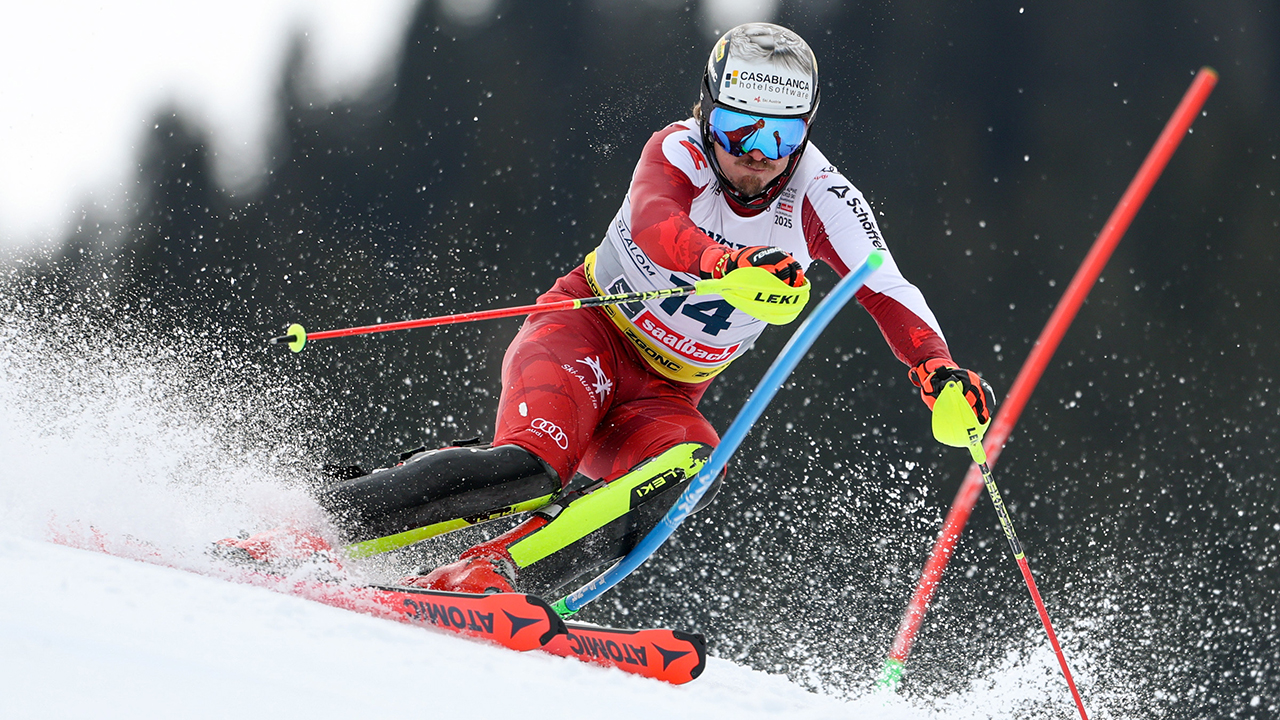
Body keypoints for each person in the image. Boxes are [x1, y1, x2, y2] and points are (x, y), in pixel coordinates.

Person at [218, 22, 993, 599]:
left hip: (665, 393)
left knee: (685, 468)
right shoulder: (677, 151)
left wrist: (937, 369)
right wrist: (730, 266)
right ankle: (308, 524)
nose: (755, 151)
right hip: (586, 331)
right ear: (707, 113)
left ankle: (485, 576)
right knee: (529, 470)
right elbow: (659, 226)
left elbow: (886, 284)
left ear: (806, 133)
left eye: (781, 133)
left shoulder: (820, 196)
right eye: (737, 125)